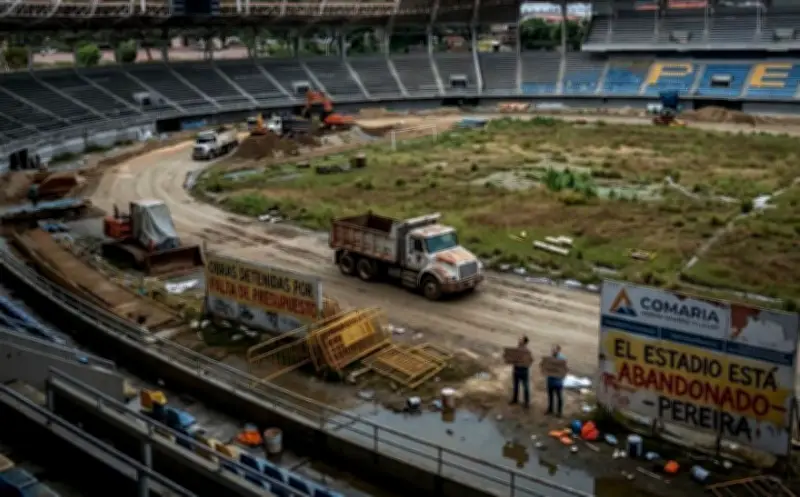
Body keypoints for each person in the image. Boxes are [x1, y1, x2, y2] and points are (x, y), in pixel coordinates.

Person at [509, 336, 531, 408]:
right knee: (516, 386)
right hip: (516, 370)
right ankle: (515, 399)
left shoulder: (527, 351)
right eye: (519, 339)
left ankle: (526, 402)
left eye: (521, 339)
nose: (519, 340)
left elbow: (530, 361)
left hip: (523, 371)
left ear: (524, 342)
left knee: (525, 387)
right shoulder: (517, 349)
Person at [546, 344, 566, 417]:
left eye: (554, 349)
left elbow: (564, 370)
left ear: (558, 350)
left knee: (559, 397)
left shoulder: (562, 359)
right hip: (550, 380)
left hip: (558, 381)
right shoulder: (550, 358)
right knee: (550, 395)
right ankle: (550, 409)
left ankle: (559, 412)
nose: (553, 351)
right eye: (552, 349)